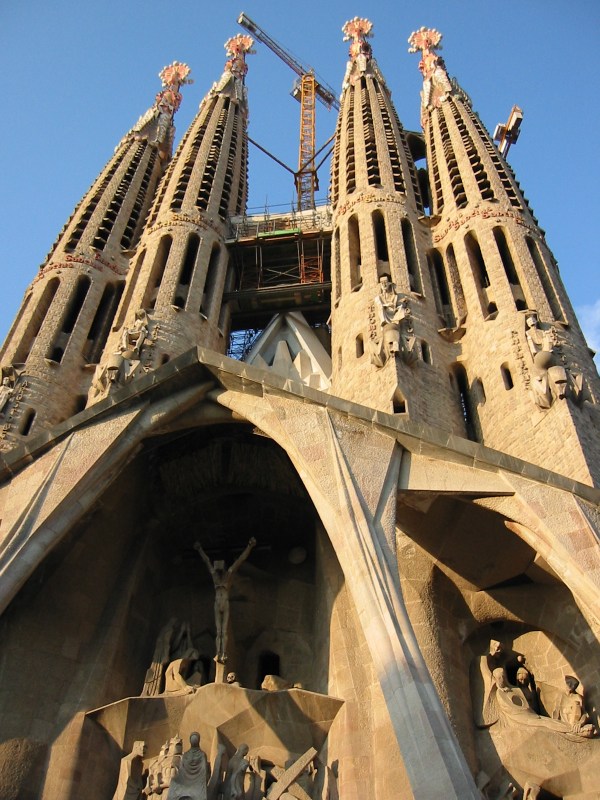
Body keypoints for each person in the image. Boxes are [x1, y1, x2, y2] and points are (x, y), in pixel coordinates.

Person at [194, 538, 257, 663]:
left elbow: (240, 560)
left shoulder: (229, 574)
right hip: (217, 603)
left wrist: (249, 546)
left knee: (224, 630)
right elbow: (206, 561)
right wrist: (199, 549)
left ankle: (224, 653)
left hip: (224, 603)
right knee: (219, 631)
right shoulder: (214, 576)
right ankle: (218, 653)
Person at [166, 732, 209, 800]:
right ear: (190, 741)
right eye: (193, 739)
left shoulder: (202, 754)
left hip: (197, 781)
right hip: (184, 779)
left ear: (198, 741)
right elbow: (182, 769)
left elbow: (204, 771)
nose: (194, 741)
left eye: (195, 739)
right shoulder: (185, 754)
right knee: (173, 782)